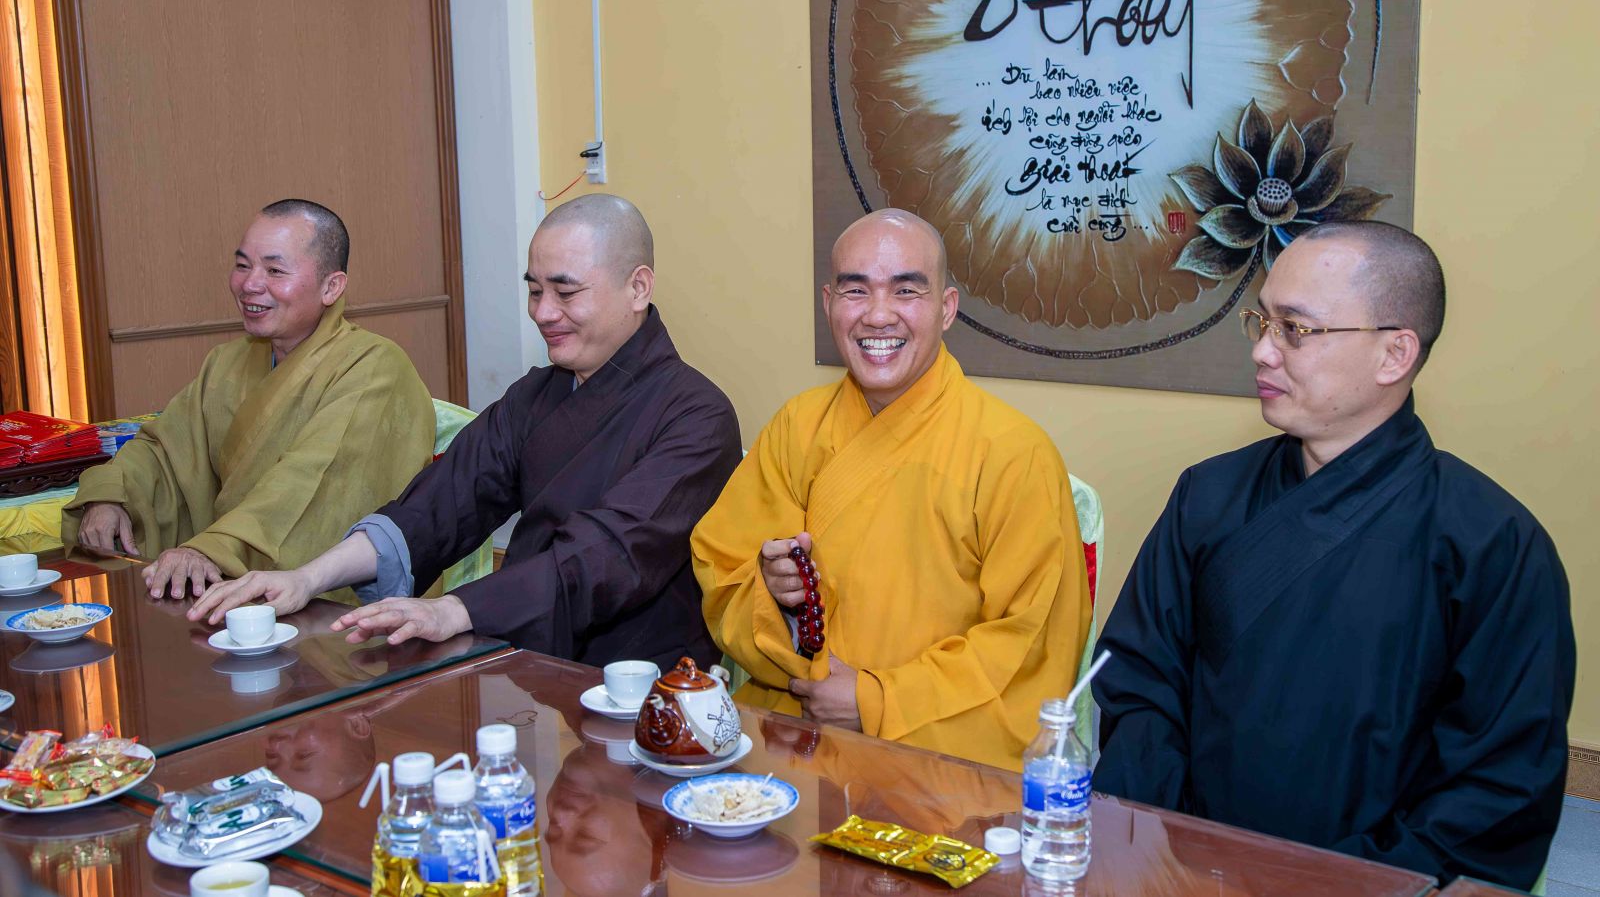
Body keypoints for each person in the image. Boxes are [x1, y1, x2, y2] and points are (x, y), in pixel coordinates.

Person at [1092, 221, 1575, 888]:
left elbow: (1500, 784)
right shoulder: (1208, 496)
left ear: (1394, 354)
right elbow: (1138, 681)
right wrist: (1170, 842)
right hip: (1185, 866)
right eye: (1262, 322)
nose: (1263, 351)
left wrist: (1343, 883)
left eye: (1295, 329)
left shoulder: (1492, 544)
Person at [191, 194, 741, 671]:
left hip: (640, 679)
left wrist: (456, 609)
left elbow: (606, 556)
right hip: (525, 651)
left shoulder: (698, 416)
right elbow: (440, 503)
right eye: (534, 291)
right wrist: (307, 579)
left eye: (566, 292)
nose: (543, 313)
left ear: (637, 287)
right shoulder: (535, 396)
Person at [692, 208, 1090, 772]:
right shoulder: (796, 428)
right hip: (793, 746)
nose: (878, 315)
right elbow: (723, 570)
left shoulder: (1014, 453)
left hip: (930, 766)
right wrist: (776, 600)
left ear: (946, 308)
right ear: (828, 302)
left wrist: (875, 701)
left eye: (906, 290)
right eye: (855, 290)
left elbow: (1029, 648)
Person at [62, 199, 434, 602]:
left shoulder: (375, 367)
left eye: (274, 270)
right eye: (242, 265)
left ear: (331, 287)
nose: (250, 284)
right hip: (227, 585)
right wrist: (112, 495)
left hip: (324, 605)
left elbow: (309, 487)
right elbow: (164, 450)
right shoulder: (227, 363)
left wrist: (211, 549)